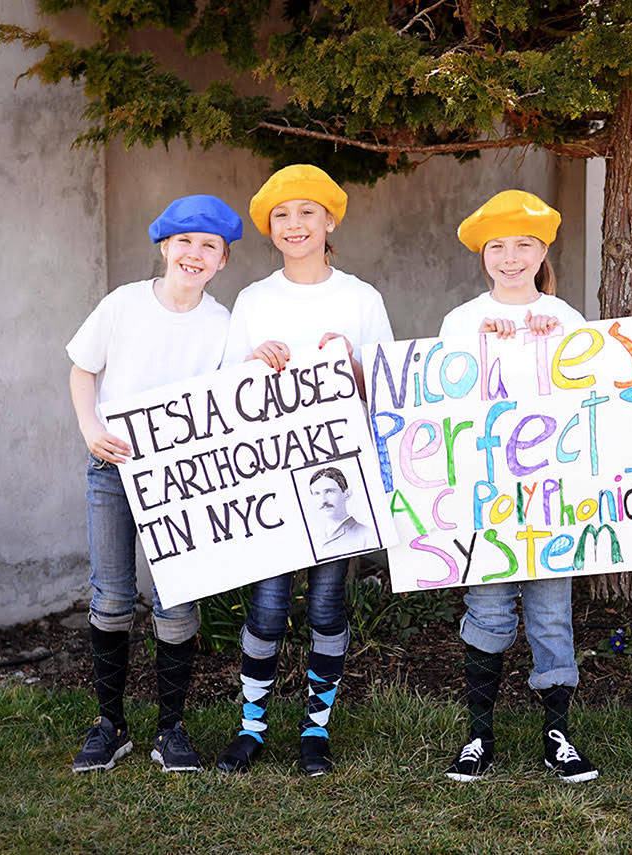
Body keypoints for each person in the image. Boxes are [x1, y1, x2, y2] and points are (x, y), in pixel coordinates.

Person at [215, 164, 394, 776]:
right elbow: (224, 392)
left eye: (307, 212)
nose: (295, 225)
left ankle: (316, 730)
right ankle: (252, 728)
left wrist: (352, 362)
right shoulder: (254, 300)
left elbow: (386, 390)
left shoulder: (361, 299)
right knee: (268, 607)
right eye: (282, 215)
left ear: (330, 222)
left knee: (325, 607)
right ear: (270, 229)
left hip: (336, 484)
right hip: (268, 482)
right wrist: (251, 361)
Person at [66, 194, 242, 773]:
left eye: (209, 246)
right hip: (113, 470)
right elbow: (83, 369)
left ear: (222, 261)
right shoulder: (124, 304)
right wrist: (90, 428)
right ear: (165, 247)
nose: (195, 254)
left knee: (176, 601)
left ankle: (172, 729)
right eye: (185, 241)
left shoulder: (222, 324)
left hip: (183, 480)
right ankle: (110, 725)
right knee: (112, 597)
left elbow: (235, 395)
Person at [438, 190, 598, 784]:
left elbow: (592, 398)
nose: (511, 258)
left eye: (524, 245)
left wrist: (552, 346)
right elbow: (441, 406)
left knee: (552, 614)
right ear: (482, 255)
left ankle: (558, 734)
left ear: (543, 251)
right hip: (486, 498)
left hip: (553, 498)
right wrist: (482, 347)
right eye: (498, 247)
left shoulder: (567, 319)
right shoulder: (462, 321)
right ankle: (479, 732)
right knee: (486, 608)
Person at [306, 466, 373, 557]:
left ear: (347, 494)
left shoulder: (367, 536)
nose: (323, 500)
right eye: (317, 493)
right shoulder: (313, 537)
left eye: (329, 492)